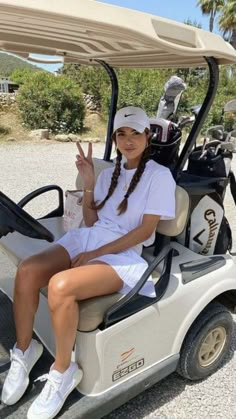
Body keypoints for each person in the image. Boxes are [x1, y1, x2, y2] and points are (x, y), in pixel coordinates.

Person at [1, 106, 176, 419]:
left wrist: (95, 255)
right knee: (28, 271)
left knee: (60, 286)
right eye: (121, 134)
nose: (128, 140)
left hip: (123, 254)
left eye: (135, 133)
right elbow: (93, 219)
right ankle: (25, 351)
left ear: (147, 136)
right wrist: (90, 181)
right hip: (89, 238)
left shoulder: (159, 176)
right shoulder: (110, 172)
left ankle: (63, 370)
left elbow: (145, 231)